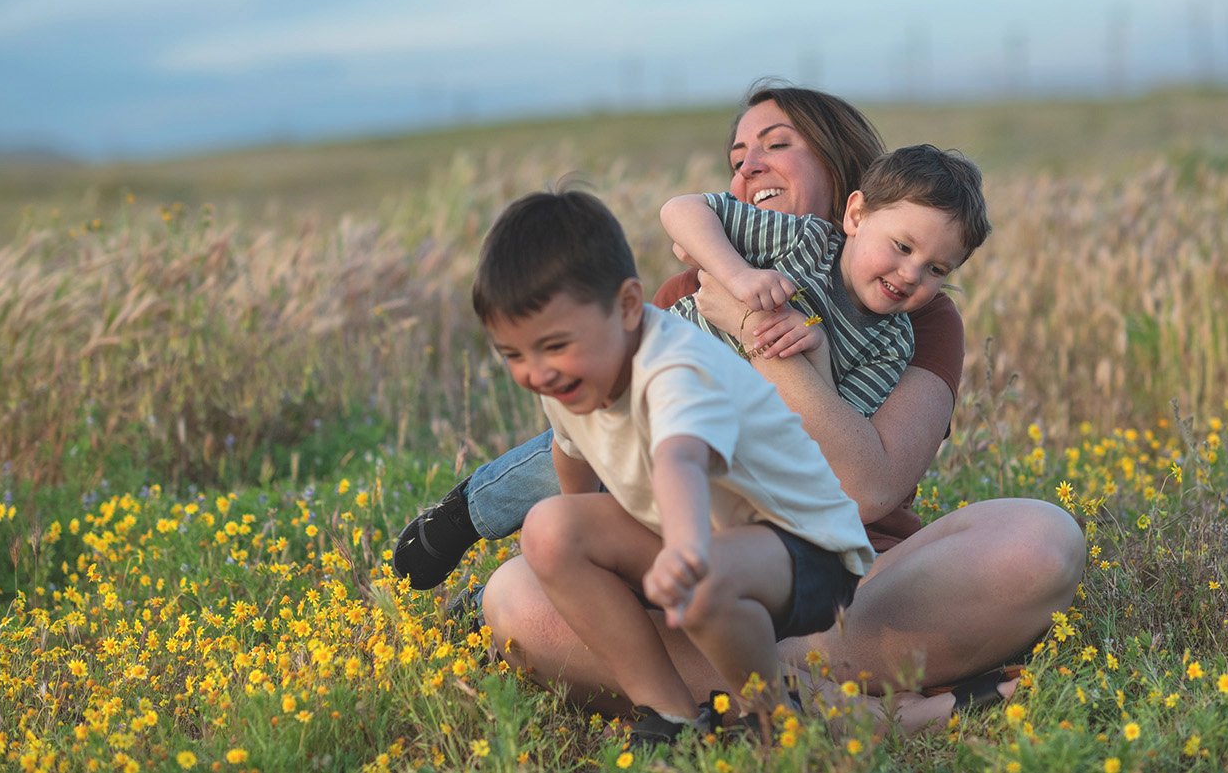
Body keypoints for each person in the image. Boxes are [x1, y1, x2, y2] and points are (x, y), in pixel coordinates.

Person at [402, 84, 1084, 731]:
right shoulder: (693, 286)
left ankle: (751, 681)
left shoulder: (914, 320)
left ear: (843, 172)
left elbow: (867, 484)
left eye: (775, 144)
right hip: (701, 565)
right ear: (858, 213)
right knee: (517, 595)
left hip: (853, 590)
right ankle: (855, 704)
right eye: (736, 158)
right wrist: (733, 284)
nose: (749, 166)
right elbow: (614, 450)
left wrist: (773, 349)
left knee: (1040, 541)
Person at [471, 188, 875, 746]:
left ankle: (777, 724)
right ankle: (670, 717)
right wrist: (582, 553)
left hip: (805, 547)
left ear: (630, 306)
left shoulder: (675, 368)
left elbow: (678, 457)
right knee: (548, 530)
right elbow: (572, 455)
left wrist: (684, 553)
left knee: (699, 582)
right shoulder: (569, 380)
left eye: (554, 346)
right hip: (708, 536)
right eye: (514, 355)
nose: (536, 372)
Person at [660, 143, 991, 419]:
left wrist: (819, 351)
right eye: (902, 247)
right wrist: (738, 276)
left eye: (936, 269)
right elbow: (680, 209)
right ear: (856, 215)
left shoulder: (891, 345)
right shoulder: (805, 241)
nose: (911, 275)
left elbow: (837, 433)